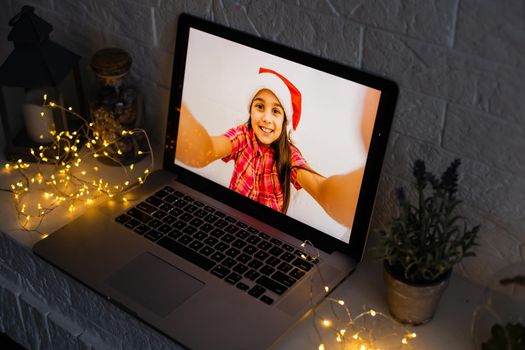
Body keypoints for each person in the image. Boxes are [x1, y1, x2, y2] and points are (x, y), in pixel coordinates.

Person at [176, 68, 378, 228]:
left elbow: (322, 189)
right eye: (259, 106)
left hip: (267, 236)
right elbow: (204, 151)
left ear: (284, 120)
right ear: (251, 110)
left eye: (275, 111)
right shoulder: (242, 136)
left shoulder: (289, 155)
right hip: (232, 223)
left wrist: (363, 183)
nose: (266, 118)